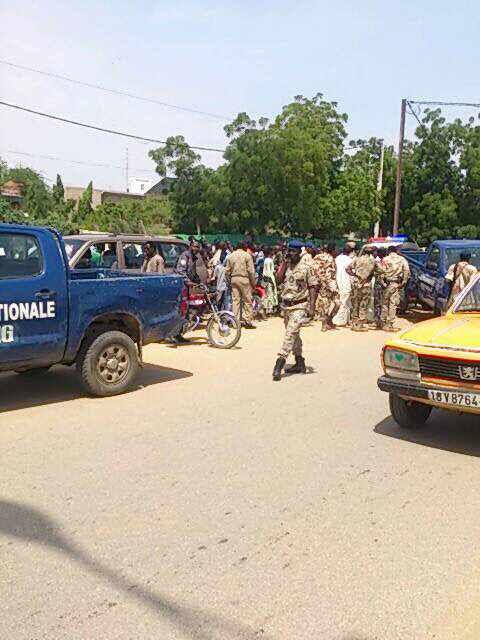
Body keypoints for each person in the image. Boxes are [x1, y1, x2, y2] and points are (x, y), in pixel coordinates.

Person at [272, 241, 318, 381]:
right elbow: (278, 280)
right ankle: (299, 361)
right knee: (294, 335)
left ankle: (280, 362)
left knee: (290, 333)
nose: (290, 254)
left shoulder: (306, 267)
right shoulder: (286, 266)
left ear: (299, 252)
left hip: (300, 305)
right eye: (289, 251)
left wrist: (312, 307)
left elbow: (313, 286)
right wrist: (284, 265)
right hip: (287, 306)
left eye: (293, 251)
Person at [346, 246, 383, 332]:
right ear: (370, 253)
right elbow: (382, 270)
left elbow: (347, 269)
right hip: (367, 285)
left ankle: (354, 323)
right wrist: (373, 273)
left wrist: (354, 275)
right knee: (364, 304)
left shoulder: (356, 259)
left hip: (357, 285)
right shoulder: (373, 261)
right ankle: (360, 324)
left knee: (355, 304)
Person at [225, 241, 256, 328]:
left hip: (234, 279)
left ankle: (235, 322)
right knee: (247, 300)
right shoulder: (247, 255)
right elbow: (251, 271)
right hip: (244, 279)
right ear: (244, 246)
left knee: (236, 301)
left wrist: (229, 281)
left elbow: (227, 271)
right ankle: (248, 321)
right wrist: (253, 283)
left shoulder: (231, 256)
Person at [379, 246, 410, 331]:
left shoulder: (385, 259)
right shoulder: (402, 259)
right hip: (396, 284)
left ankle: (382, 322)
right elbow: (406, 270)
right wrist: (404, 281)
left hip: (387, 284)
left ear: (389, 251)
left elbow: (381, 271)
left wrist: (382, 282)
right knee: (393, 304)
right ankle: (390, 324)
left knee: (384, 303)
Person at [313, 242, 340, 331]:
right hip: (328, 284)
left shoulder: (318, 256)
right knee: (330, 304)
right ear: (332, 250)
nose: (338, 251)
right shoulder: (328, 258)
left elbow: (314, 269)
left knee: (330, 303)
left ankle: (328, 321)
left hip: (328, 284)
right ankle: (325, 323)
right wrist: (323, 280)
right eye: (336, 249)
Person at [332, 244, 354, 327]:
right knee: (344, 301)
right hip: (346, 283)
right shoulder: (350, 260)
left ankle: (346, 319)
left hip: (337, 282)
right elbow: (352, 272)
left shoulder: (337, 259)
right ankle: (338, 320)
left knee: (344, 301)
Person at [372, 246, 387, 328]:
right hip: (379, 283)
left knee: (383, 303)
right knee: (377, 302)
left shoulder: (386, 261)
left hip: (384, 284)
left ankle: (382, 319)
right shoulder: (376, 261)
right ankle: (377, 320)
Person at [263, 247, 278, 314]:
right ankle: (269, 310)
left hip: (266, 279)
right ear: (270, 252)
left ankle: (268, 310)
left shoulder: (266, 260)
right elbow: (268, 272)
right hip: (269, 279)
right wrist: (271, 281)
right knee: (270, 295)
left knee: (267, 294)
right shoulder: (269, 260)